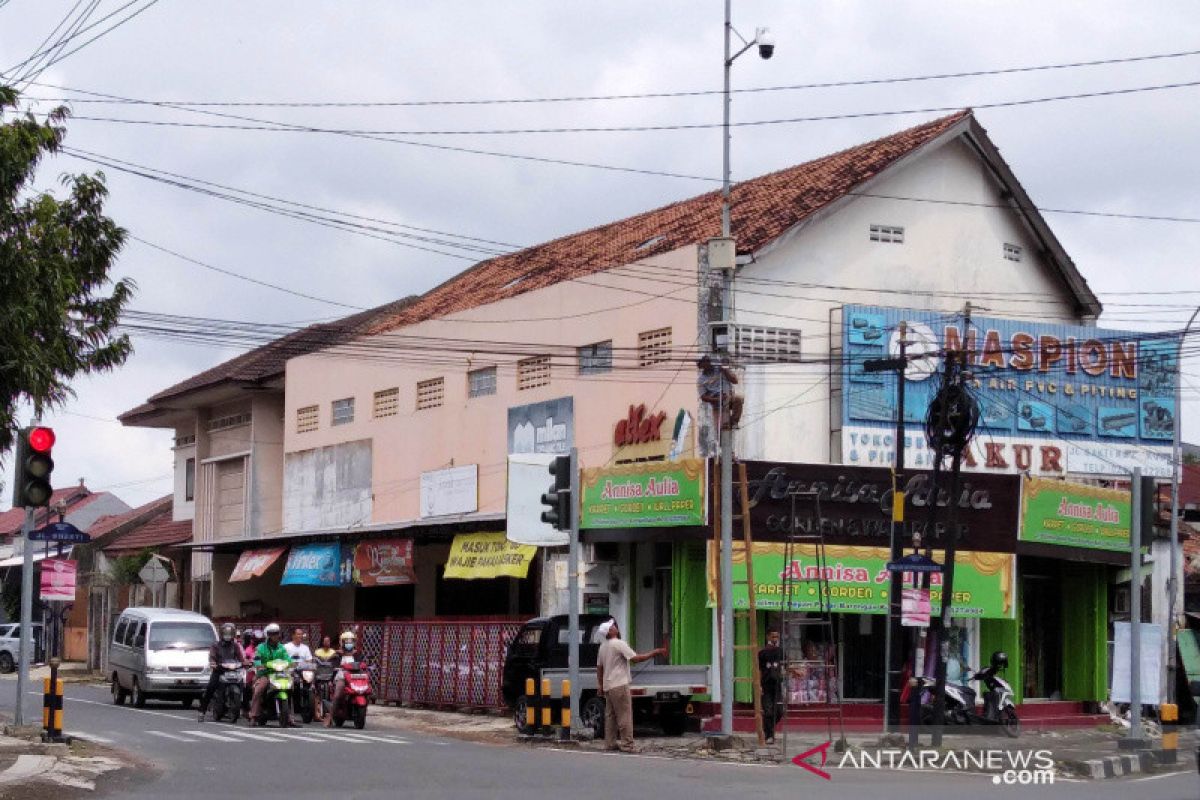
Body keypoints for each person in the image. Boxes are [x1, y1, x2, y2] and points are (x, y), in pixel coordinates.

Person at [595, 619, 666, 753]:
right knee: (624, 715)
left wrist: (600, 684)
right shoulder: (619, 644)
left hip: (608, 686)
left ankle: (610, 743)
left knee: (610, 716)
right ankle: (627, 744)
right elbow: (636, 658)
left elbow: (599, 668)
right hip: (620, 684)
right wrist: (655, 652)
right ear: (610, 631)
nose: (616, 627)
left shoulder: (603, 647)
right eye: (613, 626)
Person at [199, 622, 247, 722]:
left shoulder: (236, 646)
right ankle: (202, 711)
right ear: (221, 634)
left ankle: (246, 711)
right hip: (219, 671)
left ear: (233, 634)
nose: (228, 636)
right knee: (210, 688)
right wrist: (213, 664)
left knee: (245, 687)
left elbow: (241, 658)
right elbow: (212, 657)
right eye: (226, 633)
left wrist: (246, 663)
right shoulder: (215, 645)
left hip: (234, 671)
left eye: (230, 634)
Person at [249, 622, 292, 725]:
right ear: (268, 635)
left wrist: (290, 664)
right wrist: (259, 665)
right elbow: (257, 659)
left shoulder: (282, 648)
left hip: (279, 674)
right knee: (259, 690)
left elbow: (287, 659)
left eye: (277, 633)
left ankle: (289, 717)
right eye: (272, 633)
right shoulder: (261, 647)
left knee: (290, 689)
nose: (275, 636)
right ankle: (254, 716)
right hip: (265, 674)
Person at [325, 630, 360, 727]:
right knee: (337, 695)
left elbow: (363, 665)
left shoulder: (357, 654)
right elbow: (331, 663)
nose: (349, 643)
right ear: (342, 642)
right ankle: (330, 717)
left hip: (356, 678)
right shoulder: (338, 654)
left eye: (351, 641)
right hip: (342, 678)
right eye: (346, 641)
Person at [697, 355, 743, 427]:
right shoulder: (701, 379)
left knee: (738, 399)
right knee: (723, 425)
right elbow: (703, 397)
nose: (708, 364)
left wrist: (725, 369)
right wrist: (717, 399)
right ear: (701, 366)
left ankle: (734, 422)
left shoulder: (719, 368)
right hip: (716, 400)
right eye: (705, 362)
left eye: (708, 361)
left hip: (729, 395)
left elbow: (735, 381)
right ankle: (726, 423)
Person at [758, 630, 785, 743]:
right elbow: (758, 670)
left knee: (779, 711)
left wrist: (795, 671)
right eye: (773, 636)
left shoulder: (781, 651)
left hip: (777, 685)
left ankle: (769, 729)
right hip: (766, 685)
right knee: (768, 711)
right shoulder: (762, 653)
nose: (775, 639)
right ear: (768, 636)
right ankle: (769, 735)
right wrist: (758, 685)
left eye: (777, 636)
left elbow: (785, 665)